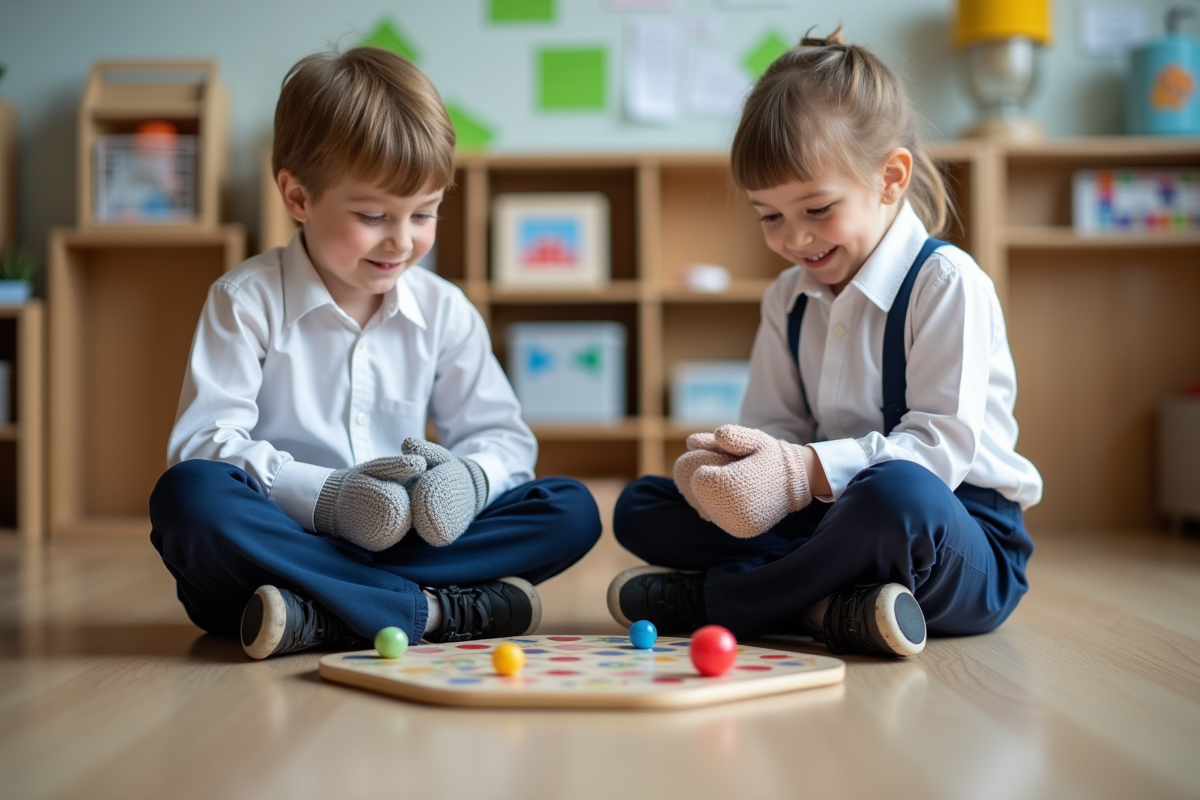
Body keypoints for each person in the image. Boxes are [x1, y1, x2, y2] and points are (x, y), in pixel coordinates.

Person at [150, 47, 601, 659]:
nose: (403, 240)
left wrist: (468, 479)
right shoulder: (245, 300)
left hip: (387, 548)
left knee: (570, 508)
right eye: (372, 215)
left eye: (425, 213)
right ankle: (437, 611)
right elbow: (205, 443)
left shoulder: (444, 310)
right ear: (298, 197)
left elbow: (503, 439)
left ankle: (327, 615)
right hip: (284, 540)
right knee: (190, 497)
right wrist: (331, 499)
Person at [607, 27, 1040, 658]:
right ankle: (833, 605)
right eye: (769, 216)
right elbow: (773, 426)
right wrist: (735, 467)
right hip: (829, 523)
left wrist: (803, 469)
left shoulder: (946, 283)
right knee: (642, 506)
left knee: (896, 495)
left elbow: (940, 451)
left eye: (817, 209)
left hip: (954, 534)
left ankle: (725, 601)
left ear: (890, 178)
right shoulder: (787, 297)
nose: (794, 239)